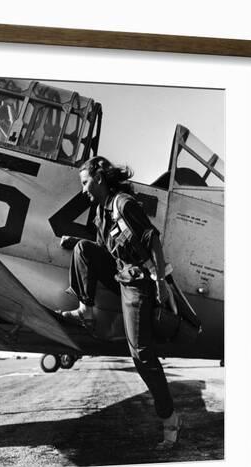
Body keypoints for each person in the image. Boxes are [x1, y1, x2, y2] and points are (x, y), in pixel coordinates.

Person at [60, 156, 181, 450]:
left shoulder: (124, 204)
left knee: (140, 354)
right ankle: (85, 310)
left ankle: (170, 419)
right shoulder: (100, 213)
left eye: (86, 182)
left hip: (138, 283)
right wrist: (75, 239)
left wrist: (161, 285)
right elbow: (103, 251)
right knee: (83, 249)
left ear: (99, 179)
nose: (84, 189)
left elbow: (153, 240)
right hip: (119, 275)